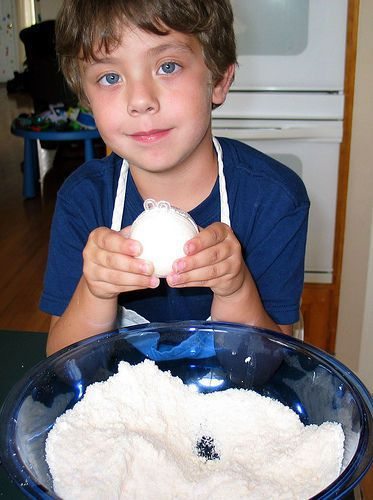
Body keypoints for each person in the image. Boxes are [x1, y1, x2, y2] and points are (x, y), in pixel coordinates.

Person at [40, 0, 310, 356]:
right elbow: (63, 364)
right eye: (110, 77)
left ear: (219, 80)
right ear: (87, 98)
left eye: (168, 66)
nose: (140, 100)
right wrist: (95, 291)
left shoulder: (275, 200)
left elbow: (265, 366)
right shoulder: (83, 200)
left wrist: (235, 288)